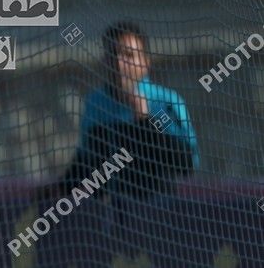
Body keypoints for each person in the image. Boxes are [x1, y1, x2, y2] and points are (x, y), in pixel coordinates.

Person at [37, 21, 200, 266]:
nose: (120, 63)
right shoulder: (96, 104)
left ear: (145, 62)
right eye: (113, 54)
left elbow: (186, 164)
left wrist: (145, 120)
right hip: (111, 222)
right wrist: (62, 187)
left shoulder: (166, 102)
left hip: (160, 218)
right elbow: (86, 161)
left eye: (129, 55)